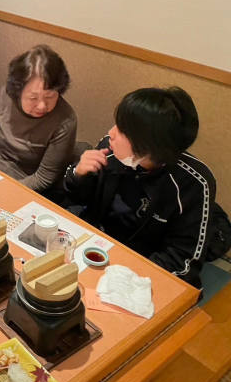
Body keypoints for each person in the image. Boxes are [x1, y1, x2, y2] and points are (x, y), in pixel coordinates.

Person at [63, 87, 216, 288]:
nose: (110, 133)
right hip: (94, 248)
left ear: (149, 145)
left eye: (122, 130)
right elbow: (77, 199)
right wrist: (78, 175)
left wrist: (125, 276)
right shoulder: (110, 149)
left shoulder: (194, 183)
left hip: (140, 273)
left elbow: (183, 261)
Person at [0, 45, 77, 195]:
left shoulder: (66, 120)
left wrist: (4, 191)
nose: (42, 105)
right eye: (33, 98)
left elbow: (44, 178)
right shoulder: (6, 95)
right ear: (18, 91)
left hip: (29, 189)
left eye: (50, 96)